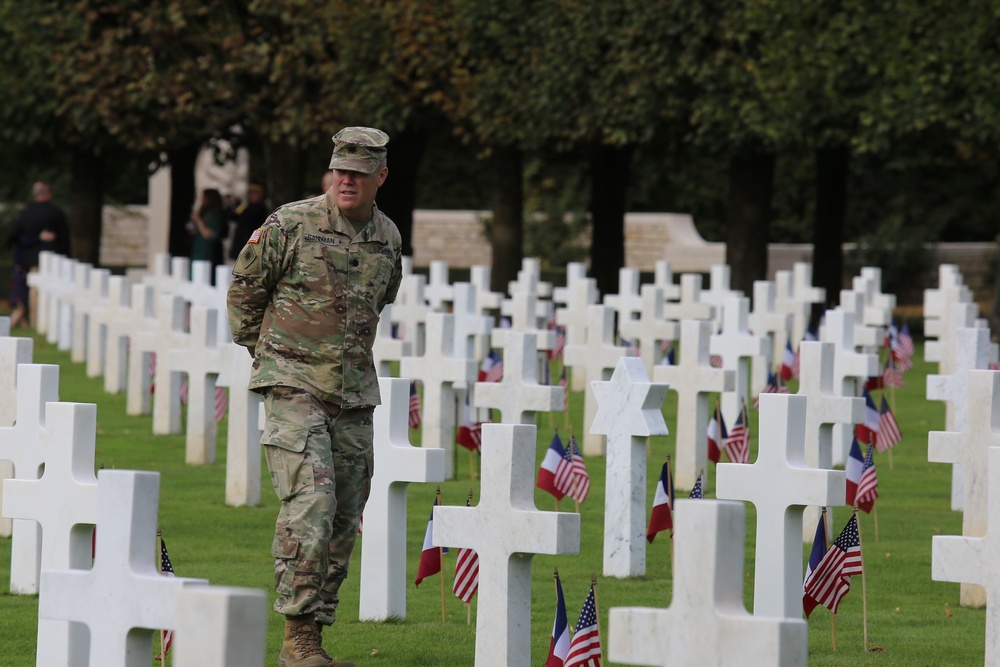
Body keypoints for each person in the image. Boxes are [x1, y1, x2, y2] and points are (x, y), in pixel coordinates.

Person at [227, 127, 402, 667]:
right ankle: (296, 641)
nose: (347, 180)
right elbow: (244, 297)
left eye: (358, 172)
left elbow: (381, 301)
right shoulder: (290, 223)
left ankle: (312, 641)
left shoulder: (388, 238)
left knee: (346, 516)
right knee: (312, 506)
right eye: (340, 170)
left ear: (380, 176)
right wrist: (277, 363)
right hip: (294, 386)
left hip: (353, 396)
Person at [6, 182, 70, 328]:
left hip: (25, 260)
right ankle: (35, 322)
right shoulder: (56, 213)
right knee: (38, 292)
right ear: (48, 194)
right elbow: (64, 241)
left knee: (28, 291)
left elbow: (13, 238)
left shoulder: (25, 213)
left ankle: (27, 322)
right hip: (50, 261)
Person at [228, 183, 270, 262]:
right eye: (251, 193)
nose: (252, 196)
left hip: (251, 244)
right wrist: (233, 203)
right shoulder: (245, 206)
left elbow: (251, 219)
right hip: (240, 243)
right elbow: (233, 217)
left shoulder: (262, 209)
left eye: (255, 193)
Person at [189, 188, 226, 270]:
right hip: (198, 251)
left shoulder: (216, 215)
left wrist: (198, 220)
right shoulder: (204, 213)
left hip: (208, 254)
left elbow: (208, 234)